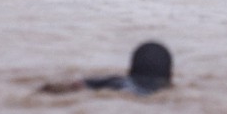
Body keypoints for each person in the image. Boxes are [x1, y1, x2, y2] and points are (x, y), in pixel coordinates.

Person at [40, 41, 172, 95]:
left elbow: (79, 83)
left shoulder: (116, 80)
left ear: (131, 68)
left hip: (118, 89)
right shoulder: (165, 91)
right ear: (169, 74)